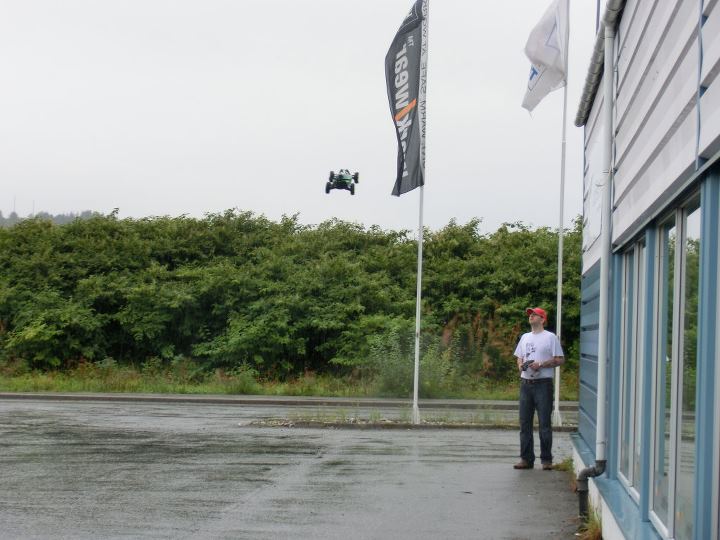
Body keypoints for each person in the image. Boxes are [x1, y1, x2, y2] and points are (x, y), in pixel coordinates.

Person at [513, 307, 565, 470]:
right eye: (530, 314)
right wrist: (521, 365)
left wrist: (541, 364)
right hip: (526, 384)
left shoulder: (550, 337)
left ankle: (546, 460)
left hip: (543, 384)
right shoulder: (524, 337)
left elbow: (560, 359)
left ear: (542, 319)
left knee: (544, 423)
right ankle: (526, 459)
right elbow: (519, 358)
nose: (531, 316)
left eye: (535, 315)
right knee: (525, 423)